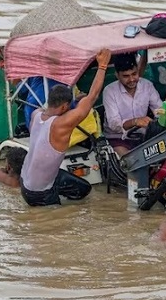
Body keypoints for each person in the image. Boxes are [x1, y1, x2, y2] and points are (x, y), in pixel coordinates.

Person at [19, 48, 112, 206]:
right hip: (40, 193)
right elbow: (93, 96)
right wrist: (102, 66)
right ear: (64, 107)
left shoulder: (36, 114)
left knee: (83, 189)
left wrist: (76, 104)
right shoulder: (61, 125)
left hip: (25, 183)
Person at [102, 52, 166, 156]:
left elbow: (160, 109)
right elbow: (114, 124)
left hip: (143, 135)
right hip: (118, 138)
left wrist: (164, 116)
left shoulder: (147, 85)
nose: (131, 79)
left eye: (134, 74)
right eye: (126, 76)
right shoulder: (109, 91)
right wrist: (135, 122)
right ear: (117, 75)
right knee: (130, 162)